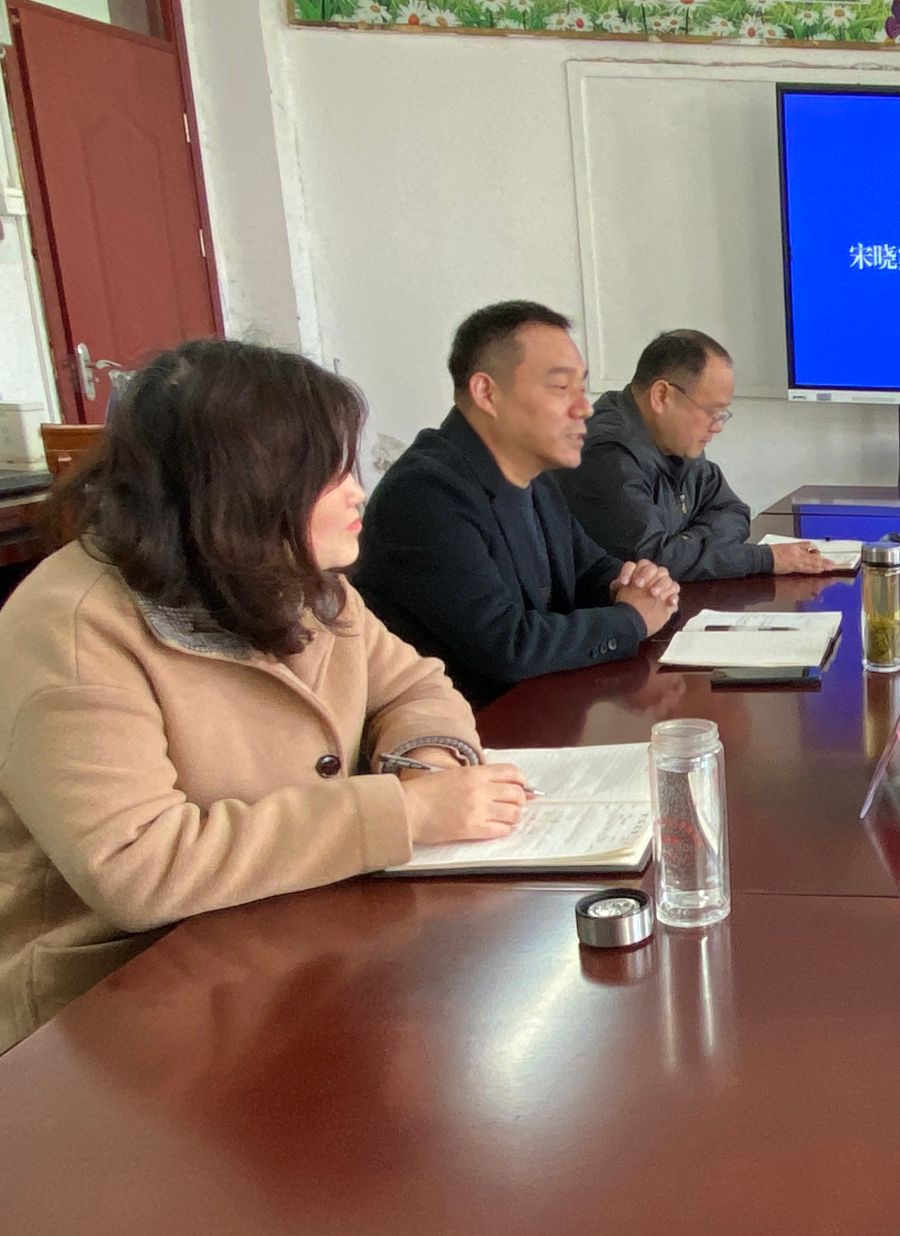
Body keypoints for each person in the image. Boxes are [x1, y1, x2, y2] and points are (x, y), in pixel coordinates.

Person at [0, 340, 532, 1053]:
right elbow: (135, 865)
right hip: (125, 1016)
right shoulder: (74, 628)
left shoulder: (300, 580)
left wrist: (427, 765)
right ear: (244, 488)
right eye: (330, 474)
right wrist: (403, 812)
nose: (360, 493)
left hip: (288, 946)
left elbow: (414, 685)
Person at [352, 301, 680, 706]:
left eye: (582, 388)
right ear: (487, 393)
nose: (585, 408)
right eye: (561, 388)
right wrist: (631, 619)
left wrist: (637, 584)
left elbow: (591, 570)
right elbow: (507, 647)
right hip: (466, 728)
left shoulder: (533, 477)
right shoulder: (425, 493)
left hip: (541, 711)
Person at [555, 328, 832, 582]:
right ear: (661, 396)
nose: (718, 426)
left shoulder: (675, 439)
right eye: (711, 412)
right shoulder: (606, 455)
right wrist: (765, 558)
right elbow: (652, 560)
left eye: (722, 414)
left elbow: (734, 511)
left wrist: (685, 545)